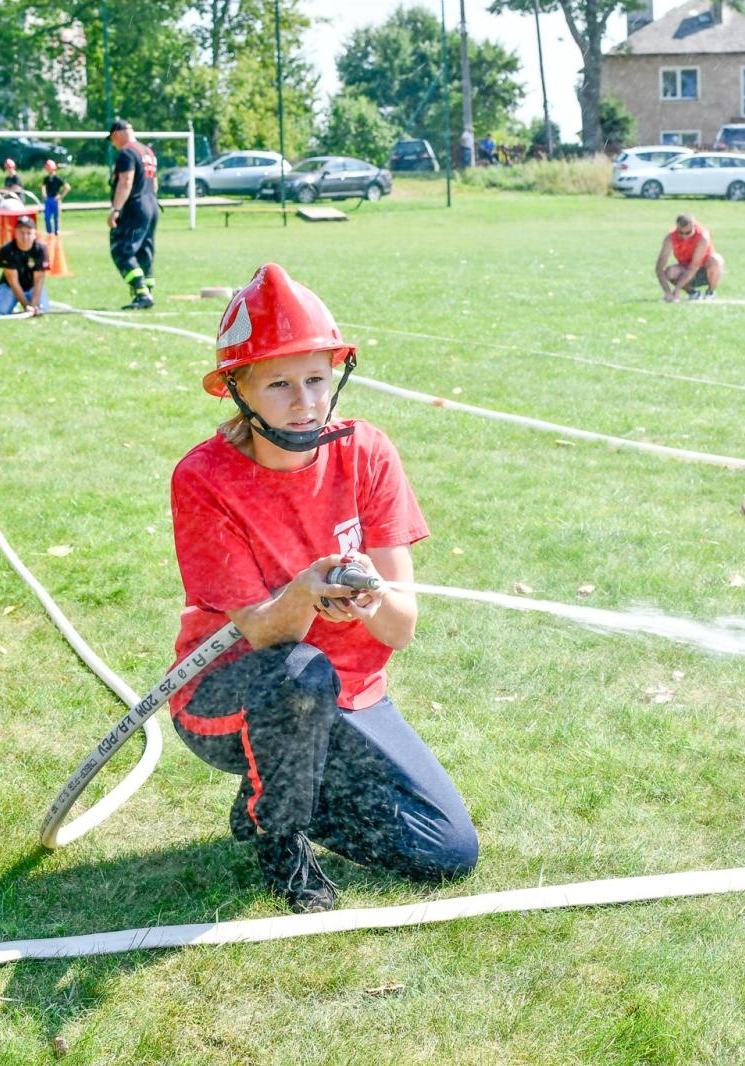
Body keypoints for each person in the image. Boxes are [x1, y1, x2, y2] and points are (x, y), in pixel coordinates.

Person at [168, 263, 478, 913]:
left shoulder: (367, 453)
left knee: (446, 851)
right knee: (300, 671)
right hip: (233, 690)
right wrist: (305, 592)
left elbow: (401, 629)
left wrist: (371, 599)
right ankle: (279, 837)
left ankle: (280, 784)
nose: (306, 401)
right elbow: (260, 633)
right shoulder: (204, 478)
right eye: (279, 383)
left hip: (346, 695)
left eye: (316, 378)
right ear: (237, 389)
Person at [106, 118, 157, 310]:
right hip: (151, 203)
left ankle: (140, 291)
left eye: (112, 139)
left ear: (117, 134)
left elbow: (126, 181)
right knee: (145, 249)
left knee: (122, 248)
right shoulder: (148, 152)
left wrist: (116, 209)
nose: (113, 144)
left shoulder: (127, 152)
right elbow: (155, 182)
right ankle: (148, 291)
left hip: (135, 206)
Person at [656, 212, 724, 302]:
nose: (684, 236)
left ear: (694, 226)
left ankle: (710, 292)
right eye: (681, 232)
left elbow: (694, 266)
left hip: (704, 269)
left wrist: (677, 289)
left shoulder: (703, 237)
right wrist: (667, 292)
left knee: (716, 260)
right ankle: (693, 293)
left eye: (688, 233)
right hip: (686, 269)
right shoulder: (670, 238)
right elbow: (659, 267)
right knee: (670, 272)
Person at [0, 214, 48, 316]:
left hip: (32, 287)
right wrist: (26, 305)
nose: (25, 237)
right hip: (10, 287)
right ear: (15, 233)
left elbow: (39, 280)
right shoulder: (7, 250)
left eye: (28, 233)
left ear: (34, 234)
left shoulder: (40, 250)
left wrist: (33, 305)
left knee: (43, 311)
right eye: (21, 232)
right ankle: (14, 305)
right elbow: (12, 281)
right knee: (0, 312)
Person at [41, 160, 66, 235]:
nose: (48, 170)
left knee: (56, 217)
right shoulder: (46, 178)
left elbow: (67, 187)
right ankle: (49, 231)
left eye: (49, 168)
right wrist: (44, 194)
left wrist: (61, 196)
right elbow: (43, 187)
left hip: (55, 199)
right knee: (47, 217)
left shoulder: (58, 178)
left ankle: (56, 231)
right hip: (48, 199)